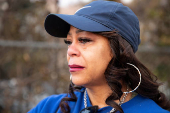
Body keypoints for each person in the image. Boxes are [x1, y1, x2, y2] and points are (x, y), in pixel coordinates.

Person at [28, 1, 170, 113]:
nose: (70, 51)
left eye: (84, 40)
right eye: (69, 42)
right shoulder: (50, 107)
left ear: (120, 50)